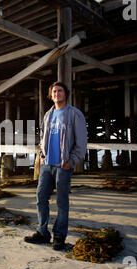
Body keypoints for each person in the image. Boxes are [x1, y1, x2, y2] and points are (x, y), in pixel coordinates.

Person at [24, 82, 87, 250]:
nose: (57, 94)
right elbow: (43, 137)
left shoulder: (75, 114)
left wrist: (71, 161)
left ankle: (59, 236)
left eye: (60, 91)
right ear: (50, 95)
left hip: (63, 165)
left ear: (65, 94)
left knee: (62, 202)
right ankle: (43, 232)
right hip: (47, 165)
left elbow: (81, 142)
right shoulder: (48, 115)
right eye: (54, 91)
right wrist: (42, 156)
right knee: (41, 198)